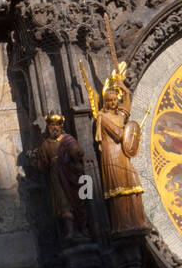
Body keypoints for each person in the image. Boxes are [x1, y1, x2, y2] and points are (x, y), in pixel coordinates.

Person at [92, 63, 148, 232]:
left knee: (133, 186)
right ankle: (122, 224)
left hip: (122, 154)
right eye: (110, 101)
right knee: (120, 189)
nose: (114, 103)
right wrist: (129, 133)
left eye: (116, 100)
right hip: (113, 155)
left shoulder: (119, 114)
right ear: (105, 103)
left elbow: (127, 108)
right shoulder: (103, 117)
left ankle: (138, 220)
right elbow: (118, 134)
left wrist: (124, 89)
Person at [33, 113, 87, 242]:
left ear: (61, 126)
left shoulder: (68, 139)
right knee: (63, 203)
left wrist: (76, 151)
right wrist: (35, 160)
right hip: (56, 176)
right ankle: (70, 231)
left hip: (71, 173)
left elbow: (76, 151)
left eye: (57, 125)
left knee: (80, 200)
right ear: (48, 127)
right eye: (52, 125)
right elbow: (44, 166)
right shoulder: (45, 144)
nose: (55, 128)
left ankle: (84, 229)